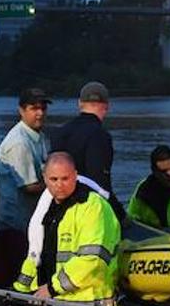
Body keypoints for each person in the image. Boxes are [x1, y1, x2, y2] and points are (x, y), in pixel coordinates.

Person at [14, 152, 119, 306]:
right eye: (54, 179)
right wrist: (20, 291)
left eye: (65, 178)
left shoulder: (93, 207)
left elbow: (91, 260)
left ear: (76, 176)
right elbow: (36, 254)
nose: (59, 185)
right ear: (44, 179)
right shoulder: (47, 208)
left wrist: (51, 288)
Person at [0, 87, 51, 284]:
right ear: (21, 110)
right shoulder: (19, 143)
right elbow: (30, 186)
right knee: (17, 278)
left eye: (43, 108)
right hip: (13, 225)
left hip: (27, 221)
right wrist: (61, 184)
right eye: (34, 108)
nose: (40, 113)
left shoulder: (39, 136)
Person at [50, 81, 123, 217]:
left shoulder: (59, 133)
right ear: (106, 107)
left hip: (57, 208)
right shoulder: (100, 136)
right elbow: (100, 183)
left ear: (79, 104)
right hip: (87, 209)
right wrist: (120, 214)